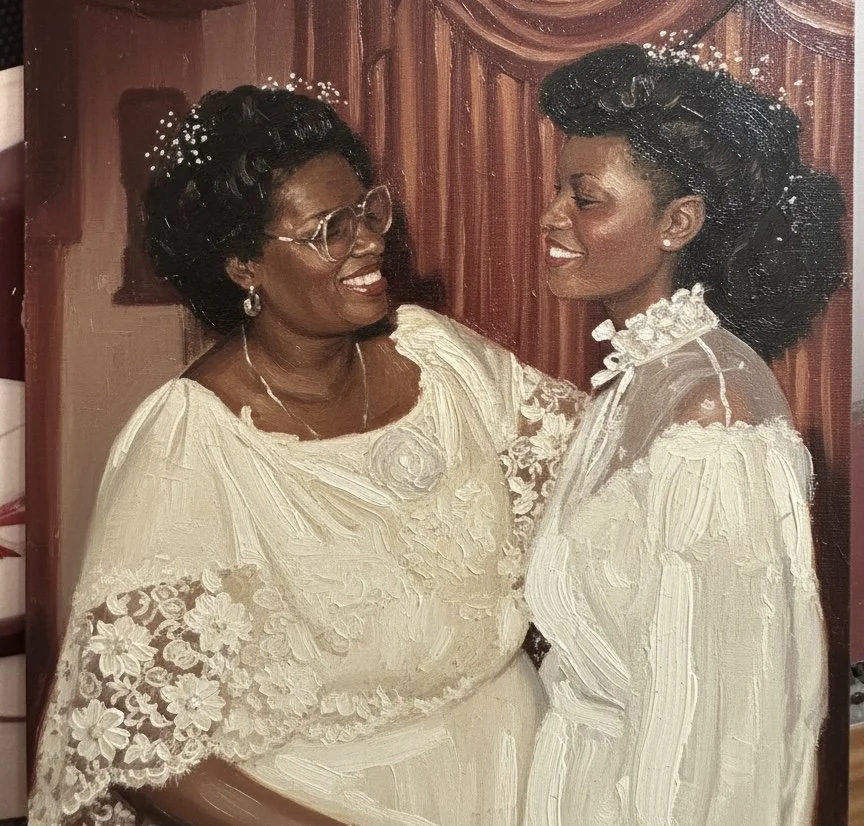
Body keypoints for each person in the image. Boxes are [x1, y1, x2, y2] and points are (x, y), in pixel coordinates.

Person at [30, 83, 583, 826]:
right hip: (324, 808)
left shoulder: (444, 359)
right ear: (243, 265)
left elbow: (604, 487)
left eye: (368, 210)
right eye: (329, 229)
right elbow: (140, 746)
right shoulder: (192, 440)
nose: (369, 241)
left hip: (522, 777)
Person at [523, 43, 845, 826]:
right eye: (558, 191)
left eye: (585, 199)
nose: (553, 217)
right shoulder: (635, 378)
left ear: (679, 222)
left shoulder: (715, 419)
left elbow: (724, 747)